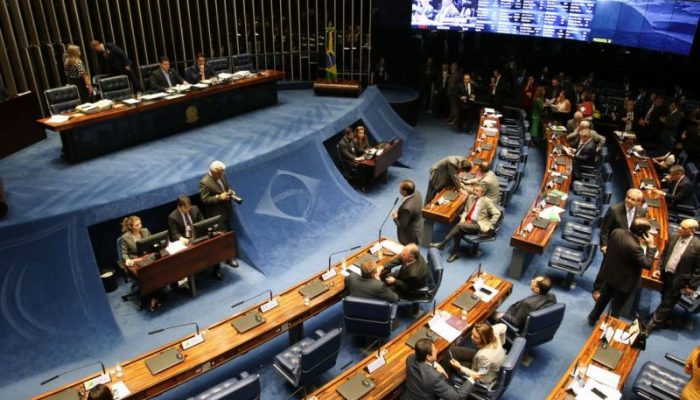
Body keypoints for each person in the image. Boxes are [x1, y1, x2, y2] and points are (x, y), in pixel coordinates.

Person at [587, 218, 656, 326]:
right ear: (642, 233)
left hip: (610, 275)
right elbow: (647, 264)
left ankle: (592, 318)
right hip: (624, 282)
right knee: (616, 307)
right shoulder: (635, 247)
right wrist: (651, 247)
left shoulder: (617, 232)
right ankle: (610, 326)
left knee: (602, 300)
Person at [594, 189, 647, 298]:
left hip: (629, 246)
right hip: (613, 245)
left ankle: (612, 288)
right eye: (628, 197)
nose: (629, 200)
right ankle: (598, 288)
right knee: (606, 267)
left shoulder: (641, 212)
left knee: (620, 268)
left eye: (633, 199)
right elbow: (605, 229)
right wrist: (604, 245)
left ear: (638, 201)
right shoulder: (614, 210)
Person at [648, 219, 699, 330]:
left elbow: (698, 269)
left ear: (692, 231)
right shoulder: (674, 237)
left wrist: (691, 286)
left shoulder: (697, 246)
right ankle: (667, 319)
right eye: (680, 226)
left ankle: (651, 326)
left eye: (683, 228)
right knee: (664, 297)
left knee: (667, 302)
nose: (679, 229)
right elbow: (664, 254)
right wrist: (658, 268)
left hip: (680, 280)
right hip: (666, 274)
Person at [429, 183, 501, 263]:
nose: (474, 192)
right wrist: (463, 218)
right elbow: (466, 211)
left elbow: (497, 213)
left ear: (482, 193)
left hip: (479, 225)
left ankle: (442, 243)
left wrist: (490, 226)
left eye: (477, 191)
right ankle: (455, 253)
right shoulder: (471, 198)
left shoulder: (487, 201)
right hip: (469, 222)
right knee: (458, 230)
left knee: (459, 226)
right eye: (474, 190)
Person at [199, 160, 239, 271]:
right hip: (216, 215)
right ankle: (227, 260)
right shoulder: (204, 182)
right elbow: (205, 200)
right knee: (223, 237)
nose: (222, 175)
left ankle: (228, 257)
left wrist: (231, 191)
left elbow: (227, 186)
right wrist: (218, 197)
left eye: (222, 172)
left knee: (228, 233)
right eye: (220, 173)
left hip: (227, 211)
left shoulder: (222, 175)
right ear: (213, 171)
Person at [402, 338, 473, 400]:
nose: (437, 350)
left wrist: (435, 364)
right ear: (428, 357)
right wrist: (472, 379)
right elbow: (457, 397)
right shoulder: (435, 378)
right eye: (434, 350)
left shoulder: (410, 359)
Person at [441, 322, 506, 385]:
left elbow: (479, 376)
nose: (472, 337)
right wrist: (502, 342)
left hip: (482, 375)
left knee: (450, 362)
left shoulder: (484, 357)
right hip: (482, 359)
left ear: (484, 340)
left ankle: (443, 382)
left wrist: (460, 367)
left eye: (476, 337)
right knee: (451, 351)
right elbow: (503, 326)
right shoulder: (493, 333)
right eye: (472, 334)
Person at [119, 215, 161, 312]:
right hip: (136, 262)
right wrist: (128, 260)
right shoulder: (125, 238)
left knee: (158, 270)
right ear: (131, 227)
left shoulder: (145, 231)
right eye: (137, 225)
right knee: (148, 276)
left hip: (148, 258)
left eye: (140, 223)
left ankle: (155, 295)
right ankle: (153, 299)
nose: (140, 226)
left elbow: (153, 242)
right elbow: (124, 254)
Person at [393, 180, 423, 245]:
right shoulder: (417, 193)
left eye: (400, 188)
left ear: (404, 192)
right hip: (418, 225)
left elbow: (402, 226)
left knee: (409, 252)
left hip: (410, 235)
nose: (399, 188)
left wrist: (395, 217)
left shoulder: (406, 208)